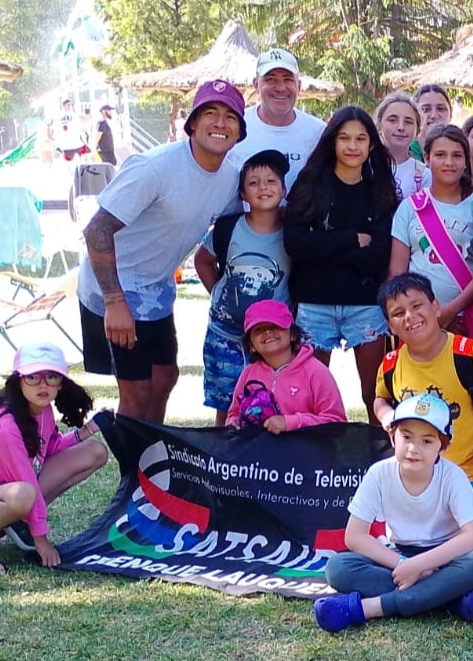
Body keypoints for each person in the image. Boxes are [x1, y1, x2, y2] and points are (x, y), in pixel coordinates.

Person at [78, 80, 247, 423]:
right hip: (114, 289)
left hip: (157, 290)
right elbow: (96, 228)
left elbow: (234, 235)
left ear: (240, 131)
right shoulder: (154, 167)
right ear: (192, 124)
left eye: (230, 117)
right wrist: (115, 302)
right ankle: (132, 474)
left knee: (164, 380)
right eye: (210, 113)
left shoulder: (231, 177)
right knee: (137, 393)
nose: (220, 123)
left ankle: (151, 465)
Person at [313, 393, 473, 632]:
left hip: (445, 557)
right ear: (392, 436)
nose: (413, 448)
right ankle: (447, 596)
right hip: (399, 556)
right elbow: (354, 536)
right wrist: (404, 564)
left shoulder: (453, 477)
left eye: (427, 441)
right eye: (406, 436)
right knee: (338, 568)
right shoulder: (379, 474)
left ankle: (369, 608)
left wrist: (420, 564)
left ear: (445, 444)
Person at [0, 343, 108, 577]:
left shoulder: (42, 408)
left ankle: (20, 520)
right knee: (24, 493)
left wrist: (86, 431)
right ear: (19, 380)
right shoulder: (2, 426)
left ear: (61, 383)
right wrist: (41, 539)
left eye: (51, 377)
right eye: (33, 377)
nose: (42, 385)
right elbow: (24, 479)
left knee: (95, 451)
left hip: (21, 486)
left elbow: (49, 448)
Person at [283, 106, 398, 424]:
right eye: (344, 137)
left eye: (361, 138)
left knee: (374, 393)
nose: (352, 145)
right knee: (311, 395)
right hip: (313, 304)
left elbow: (378, 255)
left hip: (365, 305)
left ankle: (380, 458)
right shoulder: (309, 186)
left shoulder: (380, 191)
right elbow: (296, 245)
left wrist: (322, 243)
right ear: (332, 141)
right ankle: (313, 458)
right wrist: (351, 239)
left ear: (371, 145)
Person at [374, 272, 473, 523]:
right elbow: (379, 399)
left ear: (435, 307)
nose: (410, 316)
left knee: (458, 533)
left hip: (468, 474)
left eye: (417, 306)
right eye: (398, 313)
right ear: (389, 325)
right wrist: (386, 414)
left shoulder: (470, 356)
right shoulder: (391, 365)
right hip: (416, 476)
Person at [195, 149, 293, 425]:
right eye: (253, 183)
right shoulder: (227, 229)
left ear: (284, 190)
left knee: (275, 402)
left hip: (271, 337)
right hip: (225, 334)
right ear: (242, 194)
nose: (263, 187)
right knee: (227, 407)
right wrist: (219, 294)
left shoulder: (293, 231)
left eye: (271, 181)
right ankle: (223, 459)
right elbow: (203, 261)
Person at [388, 124, 473, 340]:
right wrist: (419, 313)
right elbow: (397, 273)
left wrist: (451, 310)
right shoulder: (410, 207)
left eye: (457, 156)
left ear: (465, 160)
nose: (449, 163)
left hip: (466, 317)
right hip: (418, 320)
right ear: (426, 158)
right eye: (440, 155)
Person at [224, 300, 346, 431]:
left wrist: (290, 422)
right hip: (260, 450)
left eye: (275, 326)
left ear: (293, 334)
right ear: (251, 346)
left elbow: (336, 422)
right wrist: (233, 422)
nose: (268, 332)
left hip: (306, 449)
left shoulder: (316, 371)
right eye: (258, 329)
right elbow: (234, 414)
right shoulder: (248, 373)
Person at [234, 48, 329, 192]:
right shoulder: (236, 127)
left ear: (299, 85)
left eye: (288, 79)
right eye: (270, 79)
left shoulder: (319, 132)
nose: (280, 88)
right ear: (256, 84)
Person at [375, 92, 428, 198]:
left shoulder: (424, 175)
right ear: (378, 126)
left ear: (417, 130)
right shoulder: (365, 168)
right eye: (392, 120)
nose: (401, 127)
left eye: (408, 122)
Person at [411, 84, 454, 161]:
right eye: (426, 109)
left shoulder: (460, 151)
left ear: (451, 113)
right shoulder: (404, 152)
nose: (434, 115)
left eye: (441, 109)